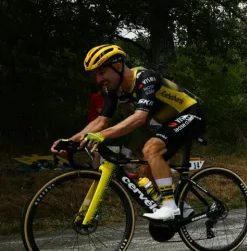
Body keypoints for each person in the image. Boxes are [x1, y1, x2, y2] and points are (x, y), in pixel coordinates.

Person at [53, 44, 205, 220]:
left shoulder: (145, 78)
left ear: (117, 66)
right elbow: (101, 121)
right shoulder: (113, 89)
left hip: (191, 113)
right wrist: (71, 142)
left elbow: (140, 118)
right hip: (167, 123)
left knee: (151, 149)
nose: (98, 79)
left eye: (101, 73)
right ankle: (183, 209)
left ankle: (170, 207)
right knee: (147, 169)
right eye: (96, 75)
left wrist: (102, 136)